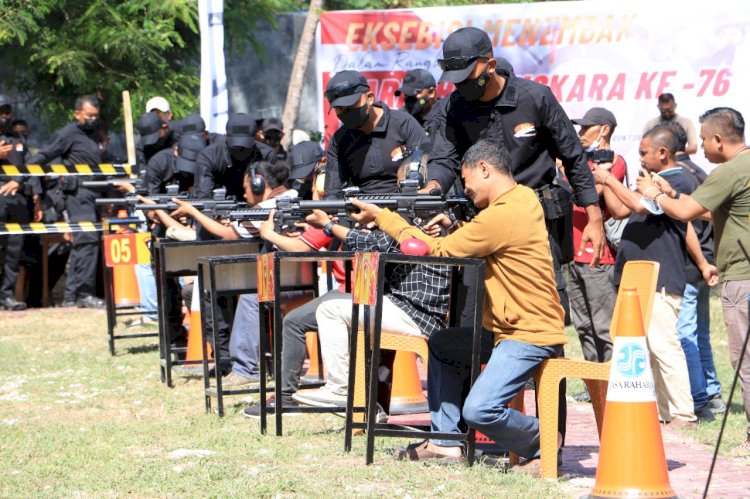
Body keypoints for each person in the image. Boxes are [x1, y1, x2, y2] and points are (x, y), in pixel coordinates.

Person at [350, 139, 566, 474]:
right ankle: (446, 441)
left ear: (484, 169)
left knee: (480, 411)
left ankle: (544, 442)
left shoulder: (503, 213)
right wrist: (457, 227)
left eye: (466, 182)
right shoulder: (522, 198)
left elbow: (436, 251)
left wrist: (384, 218)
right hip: (509, 330)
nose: (465, 190)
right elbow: (490, 239)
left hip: (527, 334)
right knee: (443, 345)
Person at [423, 27, 604, 322]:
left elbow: (573, 157)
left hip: (534, 224)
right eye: (454, 81)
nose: (461, 87)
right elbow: (444, 160)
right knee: (471, 322)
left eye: (467, 78)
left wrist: (594, 218)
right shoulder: (451, 108)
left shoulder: (535, 97)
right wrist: (431, 188)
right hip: (479, 224)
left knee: (542, 319)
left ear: (490, 65)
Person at [643, 107, 750, 456]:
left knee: (745, 362)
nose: (698, 146)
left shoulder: (729, 170)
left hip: (741, 279)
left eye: (703, 139)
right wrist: (672, 194)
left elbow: (689, 214)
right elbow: (713, 210)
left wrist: (654, 194)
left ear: (719, 139)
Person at [593, 124, 711, 427]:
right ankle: (663, 411)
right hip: (638, 276)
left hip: (659, 276)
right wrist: (605, 181)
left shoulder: (675, 179)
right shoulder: (651, 181)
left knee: (663, 344)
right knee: (644, 346)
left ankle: (683, 412)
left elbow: (639, 205)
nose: (640, 158)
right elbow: (620, 210)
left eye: (645, 153)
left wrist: (608, 177)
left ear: (662, 153)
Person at [169, 161, 293, 378]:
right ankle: (232, 359)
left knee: (220, 290)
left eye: (246, 189)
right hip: (287, 274)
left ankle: (239, 366)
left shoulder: (267, 208)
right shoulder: (290, 196)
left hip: (283, 278)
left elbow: (229, 234)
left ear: (258, 184)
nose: (245, 195)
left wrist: (193, 212)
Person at [665, 121, 725, 417]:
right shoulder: (697, 173)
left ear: (663, 151)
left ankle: (699, 396)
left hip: (691, 265)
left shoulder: (677, 180)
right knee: (699, 332)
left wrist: (660, 195)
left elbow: (686, 218)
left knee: (684, 333)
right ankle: (710, 389)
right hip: (704, 262)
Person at [27, 95, 107, 308]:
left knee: (90, 243)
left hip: (95, 193)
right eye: (89, 115)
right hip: (77, 193)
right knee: (86, 241)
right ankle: (78, 295)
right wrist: (20, 176)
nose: (92, 119)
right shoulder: (68, 134)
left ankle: (77, 295)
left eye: (96, 116)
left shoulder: (95, 134)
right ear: (77, 113)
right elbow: (42, 157)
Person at [567, 108, 625, 372]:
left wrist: (568, 172)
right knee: (583, 326)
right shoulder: (577, 162)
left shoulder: (614, 161)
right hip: (573, 255)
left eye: (585, 128)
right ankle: (594, 381)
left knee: (604, 326)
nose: (580, 134)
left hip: (599, 258)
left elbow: (593, 190)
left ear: (605, 129)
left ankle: (614, 381)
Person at [323, 70, 425, 198]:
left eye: (351, 105)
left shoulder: (403, 123)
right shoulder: (339, 140)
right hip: (360, 212)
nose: (346, 112)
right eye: (339, 109)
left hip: (405, 207)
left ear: (370, 98)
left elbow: (427, 165)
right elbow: (332, 192)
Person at [0, 95, 41, 310]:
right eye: (1, 112)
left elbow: (30, 168)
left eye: (7, 112)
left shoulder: (18, 140)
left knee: (14, 251)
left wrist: (36, 197)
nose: (4, 116)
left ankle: (7, 296)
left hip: (17, 200)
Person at [192, 113, 277, 200]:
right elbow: (202, 197)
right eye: (235, 147)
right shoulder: (209, 157)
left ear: (255, 138)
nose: (240, 151)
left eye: (244, 148)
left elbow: (272, 195)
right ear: (225, 136)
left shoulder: (266, 155)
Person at [395, 69, 440, 133]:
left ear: (431, 93)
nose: (409, 99)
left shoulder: (445, 114)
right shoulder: (400, 117)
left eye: (414, 94)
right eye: (406, 95)